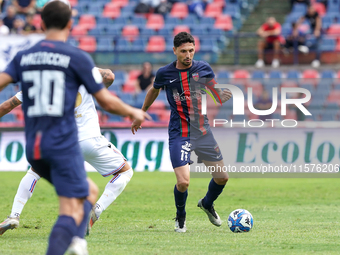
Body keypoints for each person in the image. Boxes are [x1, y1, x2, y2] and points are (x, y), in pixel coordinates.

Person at [0, 1, 149, 254]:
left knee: (40, 174)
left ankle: (17, 215)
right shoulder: (77, 60)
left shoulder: (25, 58)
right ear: (70, 24)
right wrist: (134, 111)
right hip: (72, 142)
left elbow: (7, 102)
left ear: (41, 24)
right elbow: (107, 95)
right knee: (101, 186)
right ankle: (78, 238)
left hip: (37, 145)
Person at [0, 68, 134, 238]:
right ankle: (95, 212)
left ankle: (14, 215)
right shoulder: (79, 72)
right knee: (125, 171)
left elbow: (7, 105)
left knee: (34, 171)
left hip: (61, 142)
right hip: (89, 139)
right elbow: (109, 76)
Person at [131, 32, 232, 233]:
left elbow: (213, 90)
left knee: (222, 177)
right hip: (180, 132)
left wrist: (221, 95)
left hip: (202, 131)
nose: (188, 55)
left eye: (191, 50)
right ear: (175, 51)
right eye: (184, 51)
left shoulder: (203, 68)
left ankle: (206, 203)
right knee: (183, 182)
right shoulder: (165, 73)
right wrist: (141, 112)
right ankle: (180, 216)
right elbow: (154, 90)